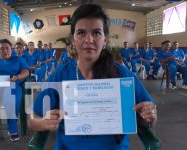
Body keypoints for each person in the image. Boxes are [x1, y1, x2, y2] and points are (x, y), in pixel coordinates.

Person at [29, 4, 157, 150]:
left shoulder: (122, 75)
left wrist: (150, 115)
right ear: (73, 39)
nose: (89, 39)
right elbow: (33, 119)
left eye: (96, 33)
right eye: (81, 33)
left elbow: (150, 120)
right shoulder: (61, 74)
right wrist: (44, 122)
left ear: (105, 39)